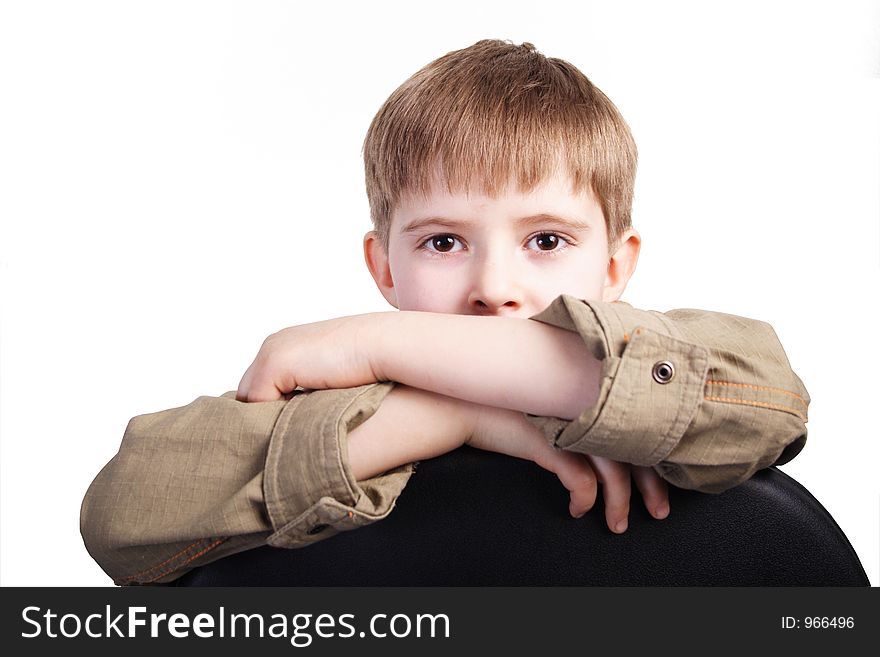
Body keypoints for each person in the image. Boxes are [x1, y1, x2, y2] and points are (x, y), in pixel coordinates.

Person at [81, 39, 809, 585]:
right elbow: (119, 515)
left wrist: (376, 342)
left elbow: (772, 398)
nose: (494, 286)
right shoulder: (336, 405)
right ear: (384, 266)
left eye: (546, 239)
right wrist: (453, 416)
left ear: (615, 267)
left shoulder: (668, 361)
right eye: (445, 240)